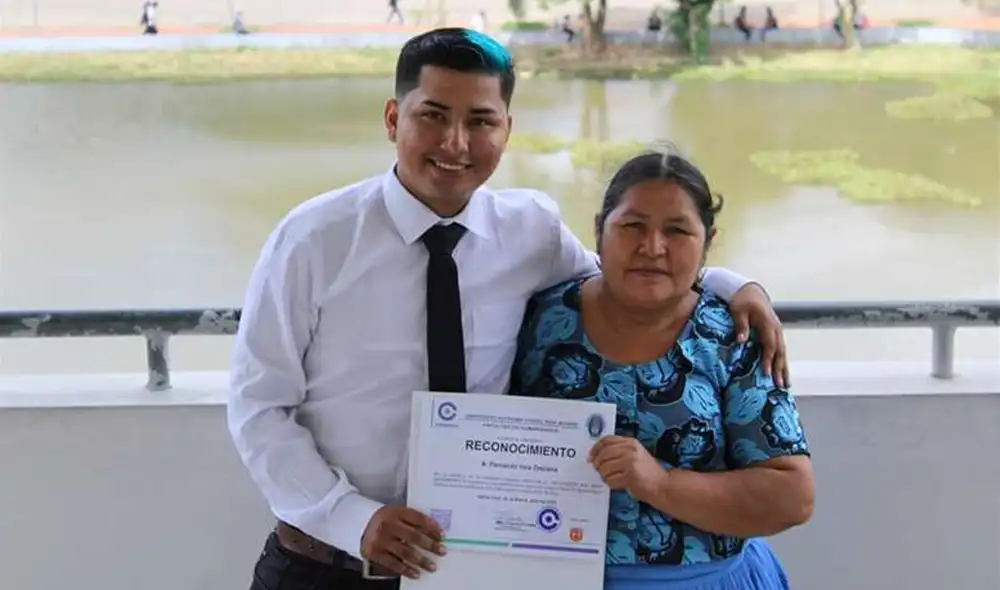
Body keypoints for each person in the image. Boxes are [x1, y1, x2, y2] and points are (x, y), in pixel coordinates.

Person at [227, 28, 789, 590]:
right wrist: (355, 519)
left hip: (475, 566)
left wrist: (731, 283)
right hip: (325, 566)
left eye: (480, 121)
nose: (455, 143)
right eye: (433, 116)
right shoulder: (314, 239)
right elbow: (259, 407)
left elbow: (620, 272)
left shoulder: (530, 230)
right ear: (394, 119)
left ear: (507, 130)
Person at [509, 147, 814, 589]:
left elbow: (793, 497)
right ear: (599, 230)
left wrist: (661, 484)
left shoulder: (735, 335)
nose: (652, 247)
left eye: (677, 231)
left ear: (707, 242)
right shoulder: (541, 320)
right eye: (632, 226)